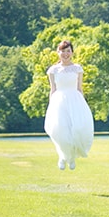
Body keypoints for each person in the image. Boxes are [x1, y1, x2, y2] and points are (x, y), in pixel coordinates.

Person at [44, 39, 94, 171]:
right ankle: (63, 156)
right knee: (61, 131)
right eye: (63, 51)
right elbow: (52, 89)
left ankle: (71, 158)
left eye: (68, 51)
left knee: (77, 129)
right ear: (58, 52)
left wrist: (83, 104)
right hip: (59, 102)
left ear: (72, 52)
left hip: (75, 101)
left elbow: (79, 88)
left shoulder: (77, 68)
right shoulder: (53, 70)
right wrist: (51, 106)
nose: (65, 54)